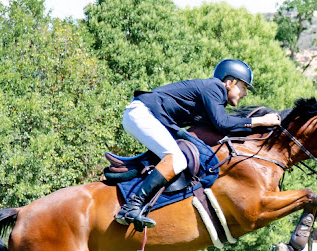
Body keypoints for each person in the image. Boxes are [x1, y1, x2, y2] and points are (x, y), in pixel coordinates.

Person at [115, 59, 281, 230]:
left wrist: (262, 129)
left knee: (176, 157)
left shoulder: (214, 96)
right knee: (177, 160)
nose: (245, 93)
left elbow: (221, 129)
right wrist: (260, 120)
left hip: (145, 115)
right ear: (230, 83)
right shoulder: (214, 87)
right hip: (142, 114)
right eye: (244, 87)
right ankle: (132, 207)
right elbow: (223, 123)